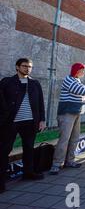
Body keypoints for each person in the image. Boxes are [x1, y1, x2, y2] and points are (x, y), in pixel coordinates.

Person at [49, 63, 85, 175]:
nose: (83, 73)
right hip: (67, 113)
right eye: (82, 70)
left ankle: (70, 161)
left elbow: (80, 94)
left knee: (74, 138)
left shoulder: (76, 81)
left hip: (76, 112)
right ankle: (56, 164)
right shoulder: (69, 80)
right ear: (76, 71)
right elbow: (82, 91)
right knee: (64, 139)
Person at [0, 58, 46, 193]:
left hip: (30, 121)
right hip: (11, 122)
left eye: (30, 67)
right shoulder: (7, 82)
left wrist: (42, 120)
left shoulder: (35, 83)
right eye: (24, 66)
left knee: (29, 148)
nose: (27, 69)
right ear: (17, 67)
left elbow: (40, 103)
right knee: (4, 150)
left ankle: (28, 172)